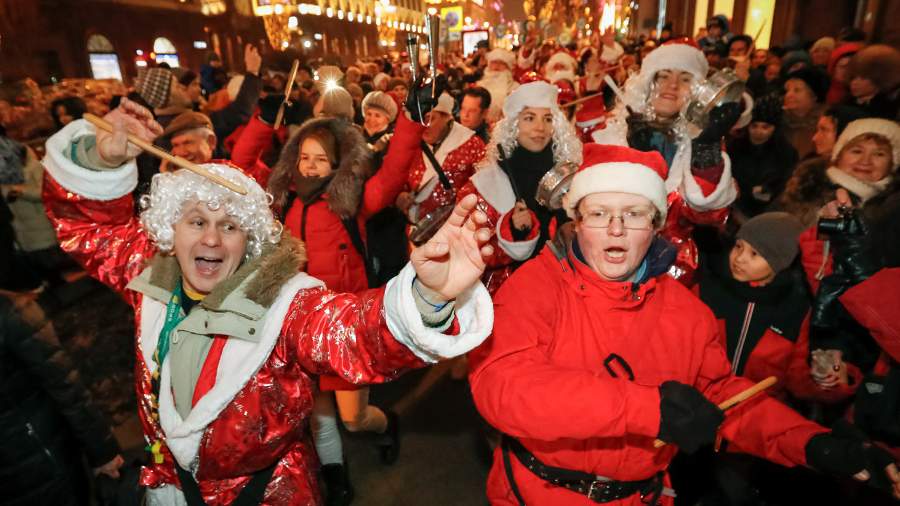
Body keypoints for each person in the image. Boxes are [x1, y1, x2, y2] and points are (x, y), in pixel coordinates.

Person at [41, 97, 494, 505]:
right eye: (196, 221)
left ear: (251, 239)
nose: (213, 238)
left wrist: (428, 294)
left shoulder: (286, 304)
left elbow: (352, 332)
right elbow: (89, 231)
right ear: (169, 231)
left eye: (231, 226)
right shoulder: (150, 276)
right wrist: (97, 159)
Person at [468, 143, 900, 506]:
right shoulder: (536, 286)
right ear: (576, 222)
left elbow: (719, 397)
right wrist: (647, 409)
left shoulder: (686, 310)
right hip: (538, 494)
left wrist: (809, 443)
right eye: (599, 213)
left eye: (634, 213)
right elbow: (504, 388)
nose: (616, 228)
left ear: (655, 226)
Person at [592, 39, 742, 285]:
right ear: (647, 83)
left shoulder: (701, 139)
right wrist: (636, 158)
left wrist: (706, 149)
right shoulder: (608, 134)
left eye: (685, 78)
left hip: (674, 272)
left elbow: (707, 214)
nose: (672, 85)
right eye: (663, 75)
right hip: (612, 265)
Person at [459, 81, 582, 294]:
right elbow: (470, 250)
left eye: (547, 119)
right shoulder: (487, 182)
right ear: (514, 125)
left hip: (563, 292)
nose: (540, 128)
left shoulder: (568, 174)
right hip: (508, 294)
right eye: (529, 118)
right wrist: (513, 233)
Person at [1, 292, 124, 506]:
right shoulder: (12, 311)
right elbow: (65, 385)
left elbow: (64, 386)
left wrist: (102, 451)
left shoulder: (12, 312)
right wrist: (103, 453)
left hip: (39, 464)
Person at [778, 118, 899, 293]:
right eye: (856, 151)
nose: (866, 161)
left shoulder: (892, 210)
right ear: (838, 155)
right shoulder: (804, 191)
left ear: (893, 163)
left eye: (879, 154)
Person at [399, 93, 486, 246]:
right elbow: (401, 179)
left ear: (447, 117)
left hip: (456, 236)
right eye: (420, 119)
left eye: (431, 118)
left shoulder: (471, 144)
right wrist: (400, 196)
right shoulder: (412, 144)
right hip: (417, 234)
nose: (424, 125)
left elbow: (485, 191)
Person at [727, 94, 798, 220]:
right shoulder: (734, 147)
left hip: (769, 214)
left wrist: (769, 189)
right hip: (732, 208)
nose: (758, 131)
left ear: (775, 128)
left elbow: (785, 184)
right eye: (754, 126)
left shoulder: (786, 153)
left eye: (765, 127)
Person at [782, 67, 829, 159]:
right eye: (787, 90)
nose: (788, 95)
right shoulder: (780, 120)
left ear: (814, 96)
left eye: (797, 90)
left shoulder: (825, 123)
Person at [846, 44, 900, 120]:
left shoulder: (886, 109)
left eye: (863, 78)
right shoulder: (846, 102)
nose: (854, 83)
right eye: (853, 77)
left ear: (878, 80)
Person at [477, 49, 519, 122]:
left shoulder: (515, 88)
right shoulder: (479, 86)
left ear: (508, 67)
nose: (496, 66)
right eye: (494, 62)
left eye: (501, 63)